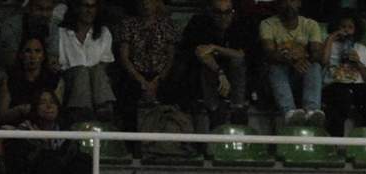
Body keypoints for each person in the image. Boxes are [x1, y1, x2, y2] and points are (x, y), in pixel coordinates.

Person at [180, 0, 251, 128]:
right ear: (211, 12)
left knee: (237, 61)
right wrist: (220, 73)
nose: (223, 17)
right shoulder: (199, 23)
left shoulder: (242, 24)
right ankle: (214, 109)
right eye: (218, 12)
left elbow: (240, 55)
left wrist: (215, 48)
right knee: (207, 65)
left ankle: (238, 107)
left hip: (236, 76)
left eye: (227, 12)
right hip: (208, 76)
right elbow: (200, 52)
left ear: (233, 13)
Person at [114, 0, 180, 128]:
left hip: (160, 74)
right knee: (126, 95)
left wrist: (157, 80)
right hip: (135, 74)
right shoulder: (128, 24)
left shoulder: (166, 25)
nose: (145, 4)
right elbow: (124, 57)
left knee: (172, 94)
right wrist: (141, 81)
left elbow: (171, 57)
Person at [260, 0, 325, 127]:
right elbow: (269, 53)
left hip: (301, 76)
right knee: (275, 67)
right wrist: (293, 60)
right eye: (284, 1)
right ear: (278, 4)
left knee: (315, 66)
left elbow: (317, 54)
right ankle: (289, 112)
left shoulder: (310, 24)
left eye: (293, 1)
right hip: (277, 79)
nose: (289, 4)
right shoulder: (267, 24)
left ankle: (312, 111)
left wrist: (302, 58)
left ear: (299, 3)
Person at [319, 12, 366, 137]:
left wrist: (358, 63)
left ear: (355, 30)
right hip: (334, 84)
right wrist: (330, 38)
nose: (346, 30)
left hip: (357, 86)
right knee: (341, 97)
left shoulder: (361, 48)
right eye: (343, 26)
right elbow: (322, 62)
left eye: (350, 27)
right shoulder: (329, 45)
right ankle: (336, 142)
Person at [56, 0, 117, 122]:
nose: (89, 10)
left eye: (93, 6)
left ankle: (104, 111)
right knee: (81, 72)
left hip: (96, 83)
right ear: (77, 8)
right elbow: (61, 64)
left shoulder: (104, 33)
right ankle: (81, 114)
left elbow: (106, 61)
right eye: (85, 6)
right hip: (69, 81)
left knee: (97, 71)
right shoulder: (62, 33)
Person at [0, 35, 60, 127]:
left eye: (37, 51)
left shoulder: (54, 80)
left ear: (43, 56)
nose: (33, 56)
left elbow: (56, 112)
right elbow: (1, 116)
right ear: (21, 55)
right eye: (28, 51)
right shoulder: (10, 79)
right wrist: (19, 110)